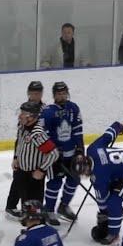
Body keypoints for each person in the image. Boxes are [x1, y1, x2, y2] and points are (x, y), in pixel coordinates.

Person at [71, 122, 123, 246]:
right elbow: (107, 136)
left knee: (114, 202)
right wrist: (116, 127)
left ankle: (114, 235)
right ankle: (112, 225)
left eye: (84, 172)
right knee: (111, 200)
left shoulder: (99, 175)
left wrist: (106, 216)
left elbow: (103, 202)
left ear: (86, 166)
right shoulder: (92, 149)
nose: (85, 175)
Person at [40, 82, 84, 226]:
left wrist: (80, 150)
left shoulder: (74, 108)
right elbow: (43, 134)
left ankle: (64, 206)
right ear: (54, 95)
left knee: (74, 180)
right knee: (55, 183)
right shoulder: (47, 111)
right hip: (54, 156)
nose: (62, 96)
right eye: (59, 94)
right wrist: (53, 151)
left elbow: (78, 130)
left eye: (64, 93)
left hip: (71, 155)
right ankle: (49, 210)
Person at [5, 81, 47, 219]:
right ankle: (12, 206)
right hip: (26, 151)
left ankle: (33, 212)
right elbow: (20, 136)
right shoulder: (25, 110)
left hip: (39, 148)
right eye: (33, 93)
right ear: (28, 93)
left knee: (33, 186)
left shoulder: (46, 109)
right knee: (19, 179)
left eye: (38, 92)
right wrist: (16, 157)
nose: (35, 95)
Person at [12, 100, 59, 207]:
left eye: (23, 113)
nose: (20, 116)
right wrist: (16, 157)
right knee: (25, 204)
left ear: (31, 117)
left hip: (33, 177)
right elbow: (19, 142)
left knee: (34, 208)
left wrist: (41, 170)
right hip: (23, 173)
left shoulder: (37, 133)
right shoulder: (22, 126)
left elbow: (53, 154)